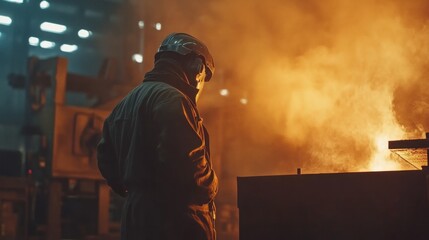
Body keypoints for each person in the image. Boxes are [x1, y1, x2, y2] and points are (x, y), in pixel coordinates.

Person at [97, 32, 218, 240]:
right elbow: (191, 174)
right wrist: (213, 184)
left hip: (135, 216)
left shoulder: (124, 104)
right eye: (203, 75)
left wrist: (137, 193)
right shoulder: (174, 100)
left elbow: (106, 159)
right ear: (197, 66)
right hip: (174, 221)